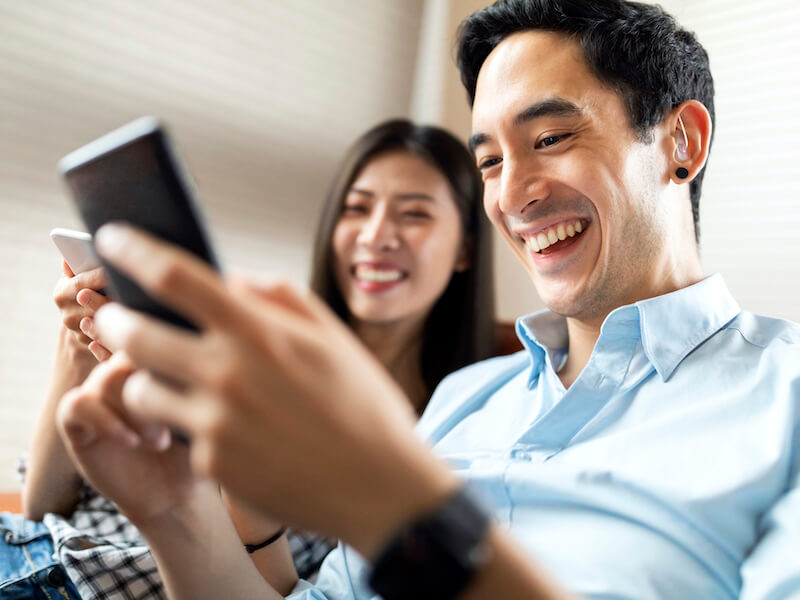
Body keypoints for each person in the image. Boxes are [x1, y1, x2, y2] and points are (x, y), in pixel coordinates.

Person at [53, 0, 799, 599]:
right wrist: (177, 510)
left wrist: (404, 514)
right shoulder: (465, 398)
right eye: (491, 161)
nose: (511, 195)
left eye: (550, 139)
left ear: (681, 143)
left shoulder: (784, 401)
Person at [3, 120, 495, 598]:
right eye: (356, 208)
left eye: (414, 214)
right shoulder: (248, 339)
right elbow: (41, 509)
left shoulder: (452, 434)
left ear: (465, 249)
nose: (375, 235)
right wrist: (80, 350)